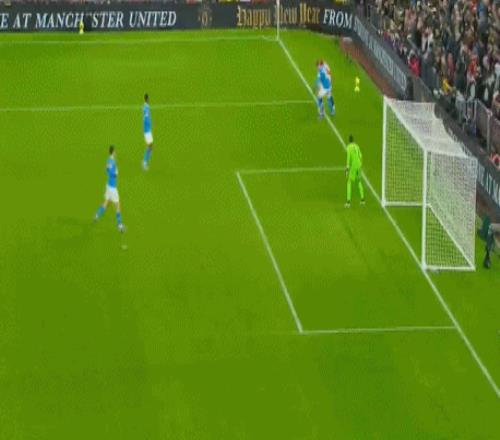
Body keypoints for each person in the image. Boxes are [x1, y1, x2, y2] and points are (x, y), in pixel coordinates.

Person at [94, 145, 125, 232]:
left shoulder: (109, 160)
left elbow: (106, 169)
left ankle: (96, 216)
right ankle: (120, 225)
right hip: (112, 187)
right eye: (115, 151)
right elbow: (111, 172)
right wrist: (116, 173)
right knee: (117, 206)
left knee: (106, 203)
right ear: (113, 151)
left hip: (108, 186)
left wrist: (112, 171)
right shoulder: (112, 161)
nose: (116, 152)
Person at [345, 134, 365, 208]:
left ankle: (348, 202)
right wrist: (360, 165)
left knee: (349, 182)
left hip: (353, 165)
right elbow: (361, 156)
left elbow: (348, 158)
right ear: (353, 140)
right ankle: (362, 200)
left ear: (348, 140)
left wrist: (347, 169)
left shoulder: (348, 147)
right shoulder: (357, 146)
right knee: (359, 181)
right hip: (359, 164)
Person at [142, 93, 154, 171]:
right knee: (150, 146)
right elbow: (146, 118)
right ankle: (144, 162)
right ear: (147, 99)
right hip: (147, 130)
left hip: (147, 130)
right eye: (148, 98)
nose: (149, 99)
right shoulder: (146, 107)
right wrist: (148, 126)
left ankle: (145, 162)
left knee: (150, 146)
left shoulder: (146, 106)